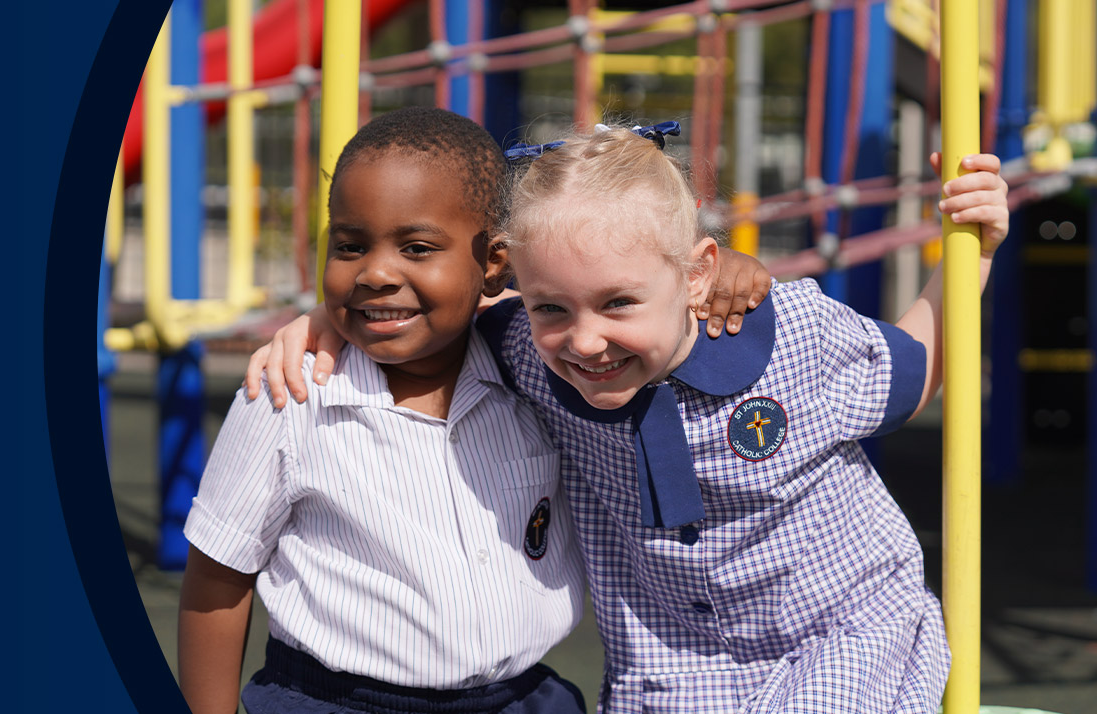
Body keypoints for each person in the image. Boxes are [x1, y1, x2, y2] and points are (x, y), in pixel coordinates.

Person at [246, 123, 1010, 713]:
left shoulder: (795, 342)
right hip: (673, 662)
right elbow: (427, 307)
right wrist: (325, 320)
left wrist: (974, 251)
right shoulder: (526, 351)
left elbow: (917, 366)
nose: (585, 340)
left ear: (699, 272)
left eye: (619, 303)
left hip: (835, 633)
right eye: (551, 306)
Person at [177, 108, 771, 714]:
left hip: (521, 697)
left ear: (493, 263)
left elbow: (621, 304)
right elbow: (219, 576)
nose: (376, 272)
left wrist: (728, 278)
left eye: (416, 247)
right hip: (336, 700)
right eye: (350, 245)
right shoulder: (290, 394)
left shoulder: (546, 371)